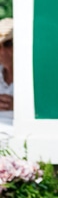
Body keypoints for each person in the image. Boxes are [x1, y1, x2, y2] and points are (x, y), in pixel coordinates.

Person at [0, 18, 14, 147]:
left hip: (16, 138)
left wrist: (18, 106)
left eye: (8, 44)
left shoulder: (32, 74)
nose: (2, 51)